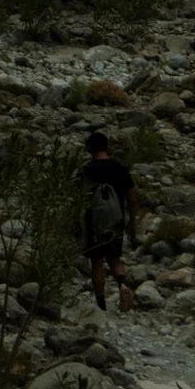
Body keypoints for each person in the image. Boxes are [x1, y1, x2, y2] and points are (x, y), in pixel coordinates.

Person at [81, 128, 138, 312]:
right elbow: (131, 198)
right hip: (116, 220)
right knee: (115, 258)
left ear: (90, 149)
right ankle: (122, 286)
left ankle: (101, 304)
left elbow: (77, 198)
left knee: (97, 262)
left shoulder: (87, 170)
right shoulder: (120, 168)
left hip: (94, 223)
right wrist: (133, 222)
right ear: (107, 147)